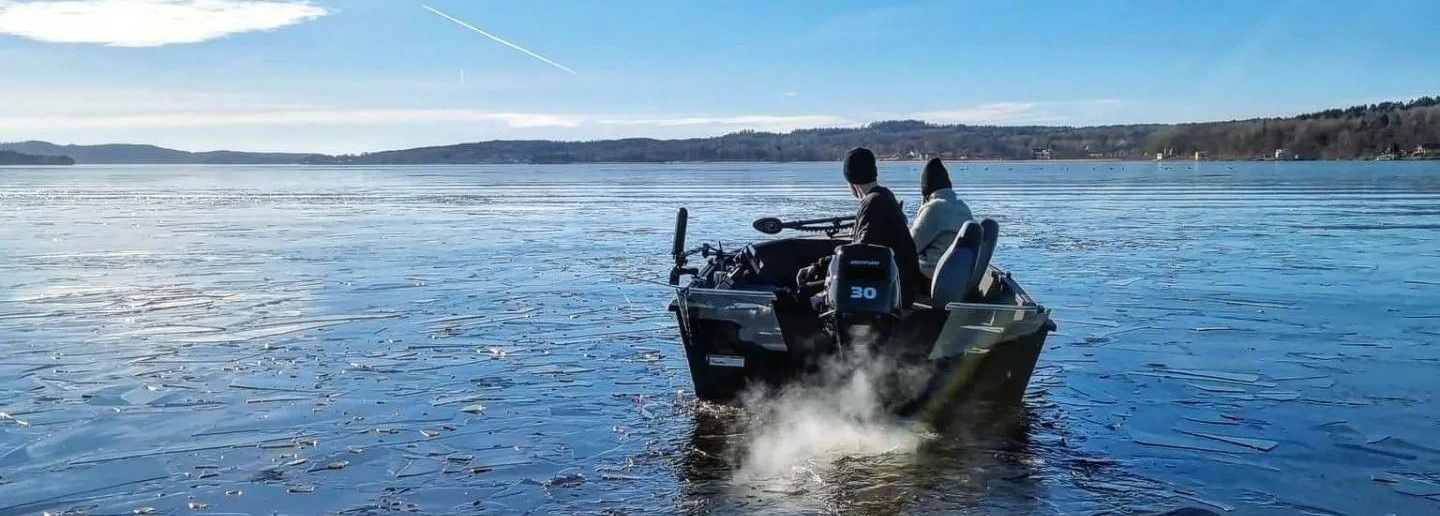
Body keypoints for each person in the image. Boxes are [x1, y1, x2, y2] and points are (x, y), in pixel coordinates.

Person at [796, 147, 923, 308]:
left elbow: (858, 256)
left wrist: (816, 268)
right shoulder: (884, 197)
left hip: (894, 293)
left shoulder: (874, 204)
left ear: (850, 180)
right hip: (897, 285)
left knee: (802, 295)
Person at [910, 158, 974, 280]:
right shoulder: (963, 207)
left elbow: (910, 246)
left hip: (931, 276)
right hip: (959, 276)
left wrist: (922, 209)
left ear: (926, 193)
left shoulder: (933, 208)